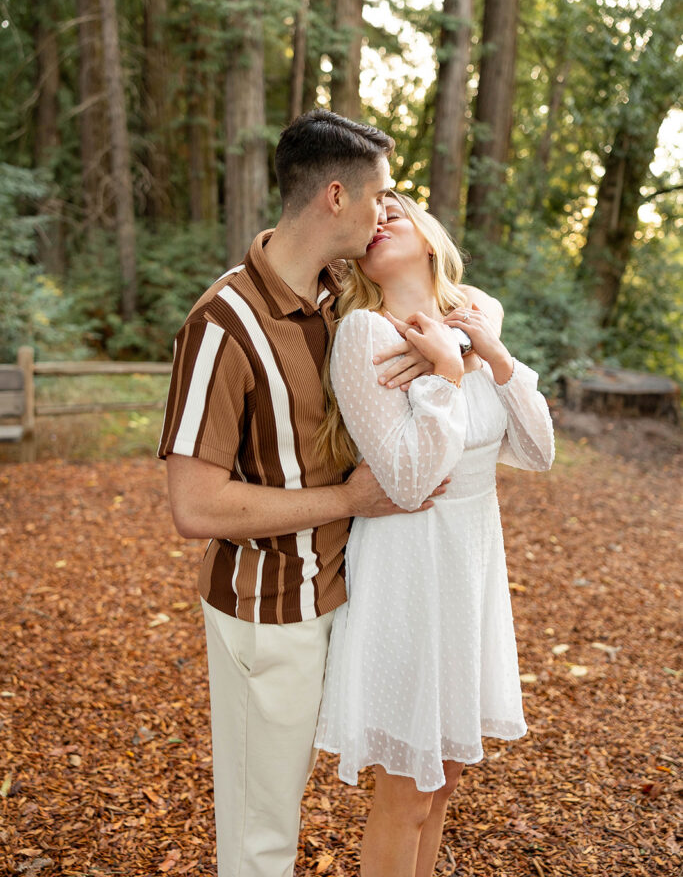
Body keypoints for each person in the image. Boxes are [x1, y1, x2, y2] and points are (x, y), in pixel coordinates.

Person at [158, 109, 497, 877]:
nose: (390, 213)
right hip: (268, 607)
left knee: (393, 793)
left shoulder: (338, 297)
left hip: (352, 594)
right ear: (336, 197)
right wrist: (350, 500)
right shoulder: (222, 325)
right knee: (262, 835)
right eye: (381, 196)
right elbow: (195, 506)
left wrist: (468, 348)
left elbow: (457, 300)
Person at [314, 191, 555, 877]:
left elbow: (537, 453)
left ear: (427, 234)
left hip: (469, 569)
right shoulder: (364, 334)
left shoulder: (474, 318)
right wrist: (448, 377)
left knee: (441, 784)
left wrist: (492, 352)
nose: (381, 220)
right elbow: (410, 481)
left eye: (396, 210)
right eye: (371, 216)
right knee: (405, 798)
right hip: (407, 570)